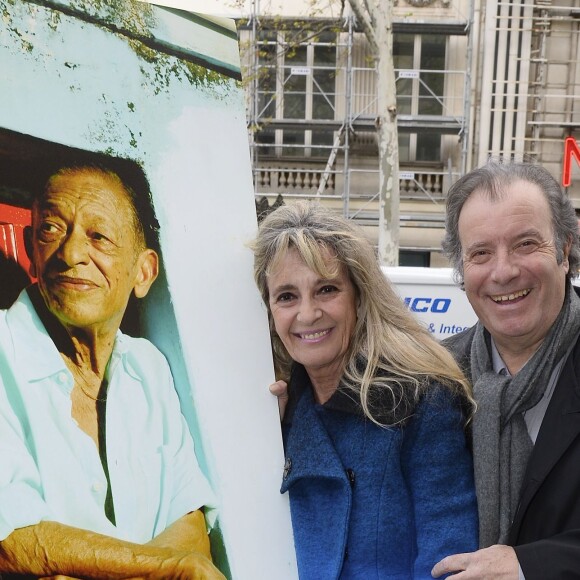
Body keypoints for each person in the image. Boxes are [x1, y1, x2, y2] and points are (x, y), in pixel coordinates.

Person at [0, 157, 224, 579]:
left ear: (143, 272)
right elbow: (11, 535)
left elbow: (189, 522)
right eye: (51, 229)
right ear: (31, 246)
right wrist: (165, 570)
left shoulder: (148, 368)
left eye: (98, 236)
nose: (70, 254)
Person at [252, 201, 478, 579]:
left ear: (359, 296)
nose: (307, 314)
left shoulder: (421, 400)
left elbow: (449, 562)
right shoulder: (274, 409)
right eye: (287, 296)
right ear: (269, 310)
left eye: (326, 290)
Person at [431, 161, 580, 580]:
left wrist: (528, 565)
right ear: (462, 271)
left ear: (565, 250)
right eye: (480, 253)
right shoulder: (434, 377)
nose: (503, 271)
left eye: (525, 244)